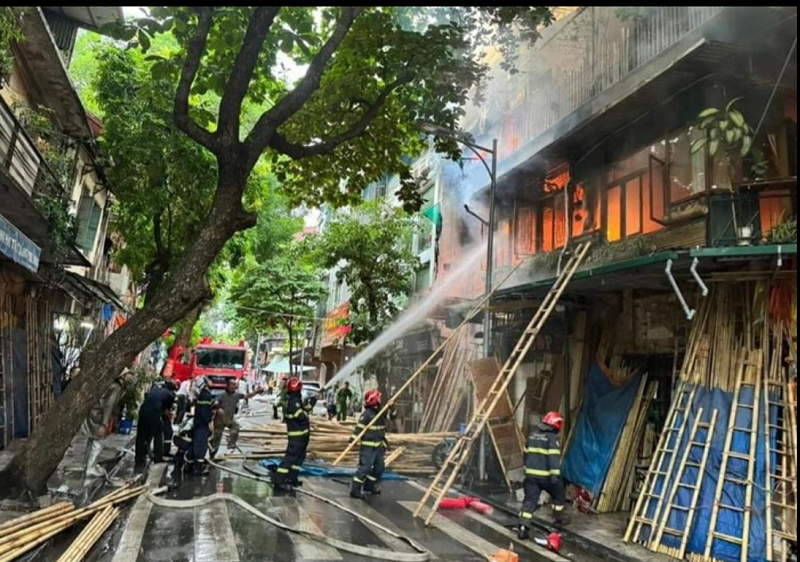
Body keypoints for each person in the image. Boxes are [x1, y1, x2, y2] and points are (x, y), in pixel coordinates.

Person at [518, 411, 570, 540]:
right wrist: (555, 476)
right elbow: (553, 459)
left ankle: (523, 527)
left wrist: (526, 470)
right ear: (557, 425)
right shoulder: (551, 439)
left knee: (529, 502)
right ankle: (558, 521)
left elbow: (525, 455)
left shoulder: (532, 436)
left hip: (531, 477)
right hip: (547, 478)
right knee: (559, 496)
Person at [81, 369, 135, 479]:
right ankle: (90, 467)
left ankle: (87, 465)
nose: (131, 377)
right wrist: (104, 424)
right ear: (123, 376)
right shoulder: (116, 388)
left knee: (92, 440)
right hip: (99, 414)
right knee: (98, 441)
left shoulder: (113, 385)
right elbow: (108, 406)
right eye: (129, 374)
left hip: (94, 412)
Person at [272, 377, 313, 491]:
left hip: (301, 436)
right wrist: (308, 409)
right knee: (290, 459)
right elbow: (302, 417)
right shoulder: (294, 403)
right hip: (297, 437)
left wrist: (309, 406)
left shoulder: (294, 401)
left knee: (299, 458)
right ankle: (279, 481)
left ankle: (291, 478)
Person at [210, 379, 265, 458]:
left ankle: (231, 443)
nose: (233, 386)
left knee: (235, 427)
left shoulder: (236, 395)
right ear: (227, 385)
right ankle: (212, 454)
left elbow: (247, 396)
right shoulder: (221, 395)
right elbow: (215, 402)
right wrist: (216, 404)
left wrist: (256, 392)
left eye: (234, 385)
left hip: (229, 418)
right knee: (216, 438)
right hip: (220, 419)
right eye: (231, 385)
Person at [350, 390, 388, 499]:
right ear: (374, 400)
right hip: (368, 448)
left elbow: (392, 417)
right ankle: (355, 490)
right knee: (365, 468)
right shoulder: (367, 415)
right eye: (378, 398)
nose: (380, 400)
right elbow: (359, 428)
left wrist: (392, 407)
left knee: (379, 468)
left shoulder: (381, 412)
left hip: (379, 447)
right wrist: (353, 438)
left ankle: (369, 485)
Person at [135, 379, 177, 465]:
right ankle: (158, 457)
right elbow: (166, 411)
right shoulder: (170, 395)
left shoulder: (155, 389)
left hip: (143, 410)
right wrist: (170, 415)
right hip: (154, 412)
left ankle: (139, 458)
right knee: (158, 434)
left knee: (141, 435)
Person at [186, 376, 217, 475]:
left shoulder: (202, 394)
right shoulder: (206, 395)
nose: (212, 382)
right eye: (209, 380)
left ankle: (189, 466)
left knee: (194, 444)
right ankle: (198, 468)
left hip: (198, 422)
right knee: (201, 445)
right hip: (202, 424)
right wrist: (209, 422)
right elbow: (205, 411)